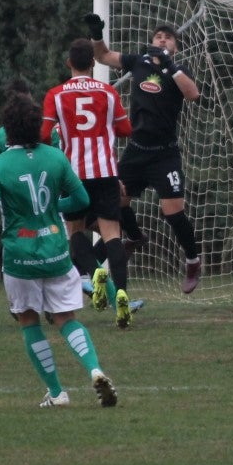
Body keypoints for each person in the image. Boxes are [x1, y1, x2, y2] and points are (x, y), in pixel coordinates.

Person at [0, 92, 118, 408]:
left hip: (19, 257)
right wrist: (54, 205)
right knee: (66, 318)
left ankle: (57, 393)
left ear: (7, 130)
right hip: (56, 252)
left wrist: (0, 204)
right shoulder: (56, 158)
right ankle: (95, 369)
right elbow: (81, 201)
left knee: (29, 320)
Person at [85, 12, 204, 294]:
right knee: (116, 200)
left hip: (165, 154)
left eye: (168, 37)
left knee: (173, 213)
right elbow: (102, 57)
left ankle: (192, 261)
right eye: (158, 36)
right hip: (137, 150)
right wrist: (95, 34)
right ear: (151, 42)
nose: (162, 39)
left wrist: (169, 63)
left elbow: (193, 94)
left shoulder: (179, 69)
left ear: (175, 46)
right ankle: (135, 238)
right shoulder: (138, 61)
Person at [41, 39, 139, 328]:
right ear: (93, 63)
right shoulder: (108, 92)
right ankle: (121, 293)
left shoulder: (55, 95)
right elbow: (125, 130)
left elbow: (45, 135)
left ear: (69, 63)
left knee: (76, 233)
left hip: (73, 175)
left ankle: (94, 273)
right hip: (106, 172)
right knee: (112, 235)